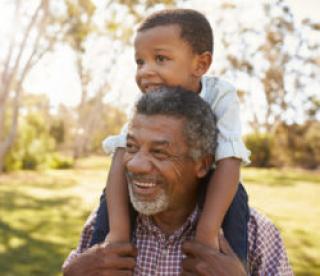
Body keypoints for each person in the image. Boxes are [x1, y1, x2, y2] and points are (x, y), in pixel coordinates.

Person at [62, 87, 293, 276]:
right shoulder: (104, 225)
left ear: (202, 164)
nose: (134, 165)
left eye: (160, 153)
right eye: (131, 147)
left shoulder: (254, 234)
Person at [93, 8, 251, 267]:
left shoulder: (220, 95)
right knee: (108, 200)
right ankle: (100, 262)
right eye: (140, 62)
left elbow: (230, 160)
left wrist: (207, 233)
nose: (145, 71)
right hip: (157, 186)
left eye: (160, 59)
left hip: (213, 180)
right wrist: (118, 233)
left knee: (236, 201)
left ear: (200, 64)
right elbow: (122, 156)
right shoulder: (146, 104)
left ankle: (231, 265)